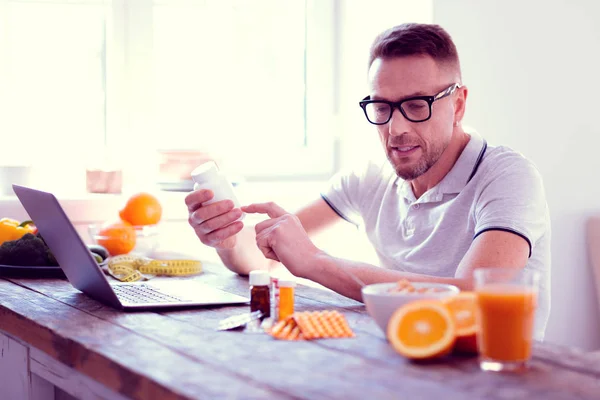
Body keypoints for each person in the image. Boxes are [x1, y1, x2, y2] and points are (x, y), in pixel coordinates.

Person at [185, 23, 551, 338]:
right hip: (402, 362)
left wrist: (315, 261)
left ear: (457, 105)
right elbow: (261, 260)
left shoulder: (506, 177)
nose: (396, 129)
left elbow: (474, 297)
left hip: (493, 376)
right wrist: (228, 238)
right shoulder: (370, 177)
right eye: (381, 107)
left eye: (417, 105)